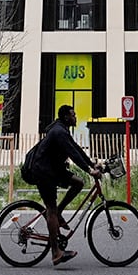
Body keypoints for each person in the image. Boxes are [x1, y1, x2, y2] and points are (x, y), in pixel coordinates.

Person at [24, 104, 102, 266]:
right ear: (66, 117)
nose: (76, 117)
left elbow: (76, 149)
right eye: (73, 115)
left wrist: (92, 165)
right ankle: (56, 252)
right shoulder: (59, 132)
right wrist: (89, 170)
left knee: (78, 183)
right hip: (43, 171)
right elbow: (73, 154)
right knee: (50, 209)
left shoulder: (63, 129)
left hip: (53, 169)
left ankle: (59, 212)